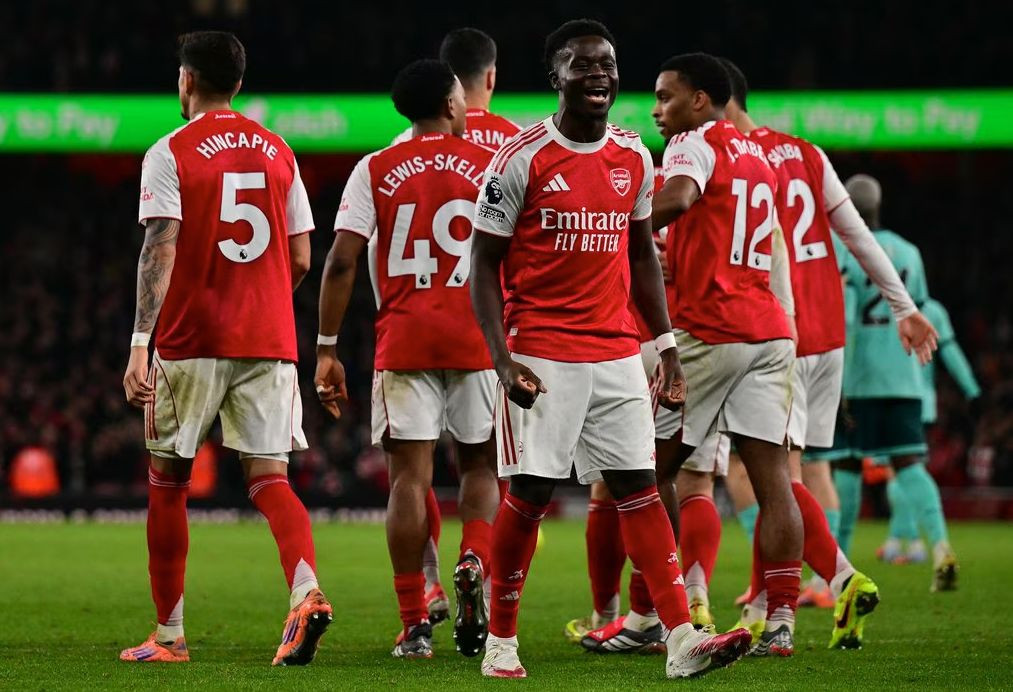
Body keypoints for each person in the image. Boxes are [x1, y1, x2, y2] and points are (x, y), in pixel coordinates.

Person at [469, 20, 751, 679]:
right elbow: (481, 264)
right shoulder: (519, 157)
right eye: (583, 64)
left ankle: (680, 639)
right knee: (529, 495)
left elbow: (641, 256)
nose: (599, 74)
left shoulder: (633, 155)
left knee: (639, 491)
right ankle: (501, 641)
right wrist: (502, 358)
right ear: (555, 76)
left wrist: (666, 347)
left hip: (619, 351)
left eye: (608, 64)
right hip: (542, 351)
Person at [119, 31, 331, 666]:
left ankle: (169, 636)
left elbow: (160, 243)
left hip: (191, 338)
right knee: (270, 479)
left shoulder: (170, 151)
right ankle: (306, 591)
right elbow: (301, 255)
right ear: (237, 82)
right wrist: (258, 298)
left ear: (186, 80)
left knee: (168, 481)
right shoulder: (279, 150)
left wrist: (139, 343)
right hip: (269, 338)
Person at [720, 58, 934, 647]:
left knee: (771, 480)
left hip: (779, 334)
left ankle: (829, 584)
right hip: (829, 338)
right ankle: (765, 601)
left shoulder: (736, 158)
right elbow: (857, 236)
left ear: (720, 101)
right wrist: (903, 307)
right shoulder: (808, 154)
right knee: (795, 474)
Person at [315, 59, 500, 660]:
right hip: (477, 340)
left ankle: (414, 623)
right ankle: (474, 559)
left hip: (405, 339)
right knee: (479, 468)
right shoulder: (490, 164)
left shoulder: (374, 168)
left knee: (408, 481)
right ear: (449, 104)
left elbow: (342, 261)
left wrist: (326, 347)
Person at [648, 52, 803, 657]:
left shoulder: (692, 142)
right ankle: (782, 621)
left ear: (700, 100)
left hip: (710, 332)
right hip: (768, 330)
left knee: (647, 473)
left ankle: (664, 609)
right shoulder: (758, 156)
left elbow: (682, 197)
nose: (657, 110)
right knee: (774, 482)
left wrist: (615, 226)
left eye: (666, 97)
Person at [391, 28, 521, 623]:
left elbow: (366, 254)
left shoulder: (398, 150)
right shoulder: (516, 146)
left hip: (409, 326)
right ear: (488, 78)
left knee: (410, 472)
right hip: (490, 333)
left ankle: (428, 588)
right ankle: (482, 570)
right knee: (487, 466)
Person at [835, 175, 959, 592]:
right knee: (909, 464)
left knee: (846, 466)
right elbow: (916, 311)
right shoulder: (910, 252)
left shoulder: (843, 249)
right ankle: (941, 546)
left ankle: (839, 568)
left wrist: (839, 384)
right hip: (904, 376)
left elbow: (846, 317)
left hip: (858, 378)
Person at [878, 297, 980, 563]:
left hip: (892, 396)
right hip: (922, 401)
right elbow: (950, 351)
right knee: (909, 470)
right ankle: (898, 539)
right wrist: (971, 389)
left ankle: (910, 541)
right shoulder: (933, 309)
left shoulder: (884, 306)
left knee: (899, 472)